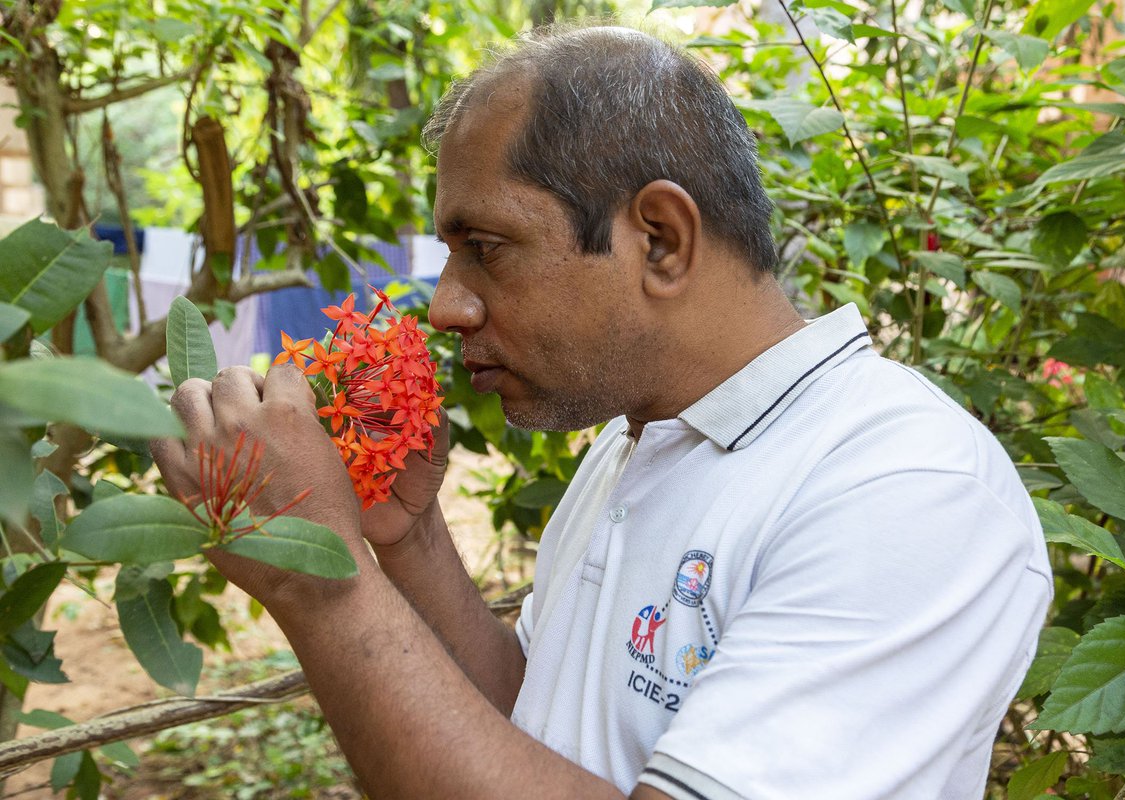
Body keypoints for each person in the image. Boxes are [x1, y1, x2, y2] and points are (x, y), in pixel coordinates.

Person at [153, 24, 1052, 799]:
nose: (447, 306)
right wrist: (407, 542)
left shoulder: (904, 488)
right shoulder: (639, 446)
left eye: (487, 247)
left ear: (660, 240)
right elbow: (532, 728)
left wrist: (322, 579)